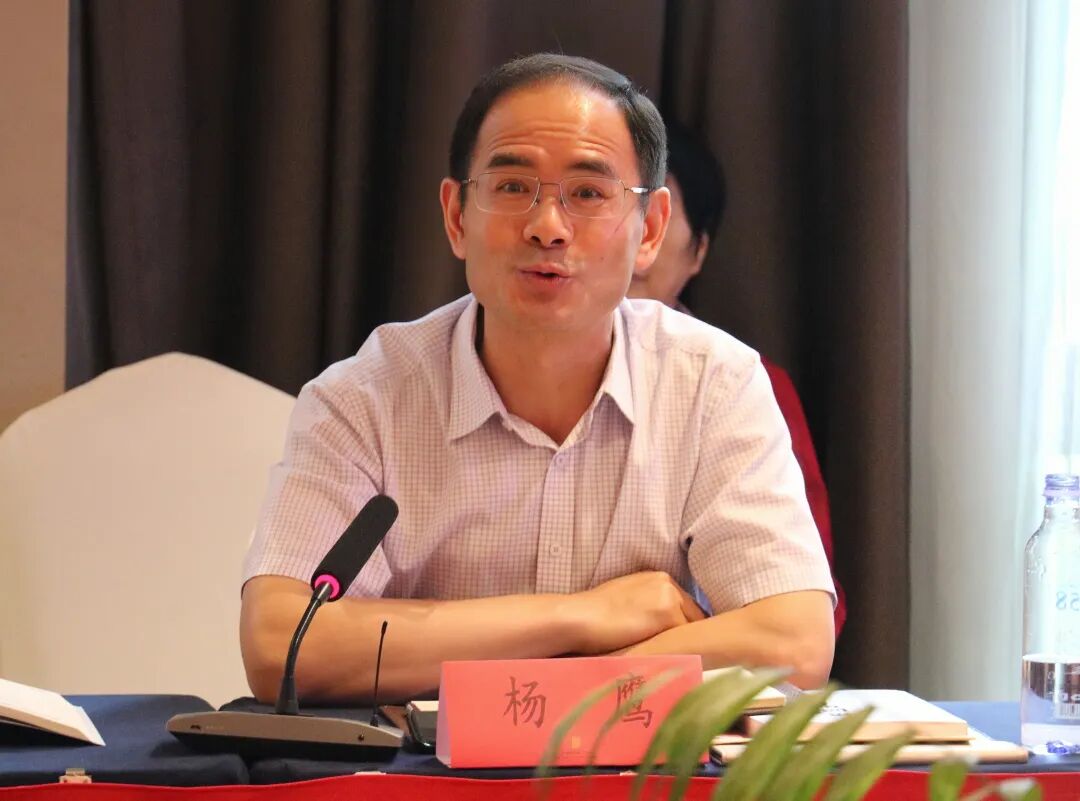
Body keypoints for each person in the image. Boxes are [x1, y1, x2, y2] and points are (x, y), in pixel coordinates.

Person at [240, 54, 836, 705]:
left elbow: (793, 641)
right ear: (456, 217)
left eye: (588, 194)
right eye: (512, 187)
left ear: (651, 230)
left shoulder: (714, 384)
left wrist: (545, 688)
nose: (547, 227)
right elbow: (280, 643)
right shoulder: (363, 398)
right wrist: (585, 616)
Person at [627, 123, 847, 636]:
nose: (630, 235)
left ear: (698, 251)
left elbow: (809, 606)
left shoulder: (742, 381)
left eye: (651, 215)